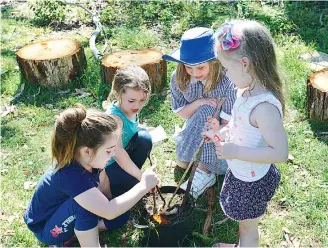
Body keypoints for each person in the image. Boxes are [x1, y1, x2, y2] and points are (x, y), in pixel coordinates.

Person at [203, 20, 289, 247]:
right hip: (242, 172)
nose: (226, 74)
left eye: (227, 68)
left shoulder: (264, 108)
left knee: (248, 227)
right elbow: (240, 126)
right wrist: (220, 131)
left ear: (245, 63)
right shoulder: (246, 90)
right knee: (244, 223)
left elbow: (280, 153)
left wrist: (236, 151)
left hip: (252, 180)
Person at [23, 105, 159, 247]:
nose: (113, 154)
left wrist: (110, 201)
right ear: (87, 151)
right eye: (109, 151)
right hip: (46, 229)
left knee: (121, 213)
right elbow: (109, 210)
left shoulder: (90, 160)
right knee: (87, 208)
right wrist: (143, 185)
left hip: (65, 210)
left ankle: (80, 229)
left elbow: (104, 180)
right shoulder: (70, 175)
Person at [162, 27, 237, 198]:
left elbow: (228, 125)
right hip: (196, 125)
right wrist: (199, 102)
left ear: (213, 61)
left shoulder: (228, 81)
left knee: (209, 111)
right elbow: (183, 113)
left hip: (222, 134)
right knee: (182, 162)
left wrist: (216, 129)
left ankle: (206, 170)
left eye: (201, 68)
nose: (195, 73)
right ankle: (198, 159)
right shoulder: (179, 77)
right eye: (189, 67)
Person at [102, 65, 153, 198]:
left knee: (145, 138)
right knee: (136, 188)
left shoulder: (130, 109)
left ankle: (129, 177)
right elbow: (117, 153)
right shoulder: (115, 118)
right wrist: (140, 177)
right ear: (118, 94)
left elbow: (130, 128)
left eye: (142, 100)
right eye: (131, 101)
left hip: (122, 158)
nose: (137, 106)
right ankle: (121, 185)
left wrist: (141, 128)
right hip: (107, 168)